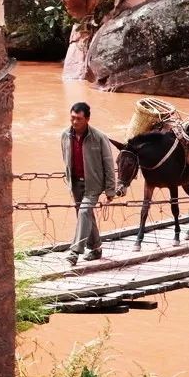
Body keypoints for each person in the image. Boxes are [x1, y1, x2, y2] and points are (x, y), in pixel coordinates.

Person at [61, 102, 116, 266]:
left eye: (78, 118)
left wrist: (110, 190)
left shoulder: (99, 137)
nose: (74, 122)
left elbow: (108, 163)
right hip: (75, 183)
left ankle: (75, 252)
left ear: (87, 119)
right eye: (72, 118)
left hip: (93, 184)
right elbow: (66, 159)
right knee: (85, 215)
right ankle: (96, 248)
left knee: (84, 212)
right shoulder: (65, 135)